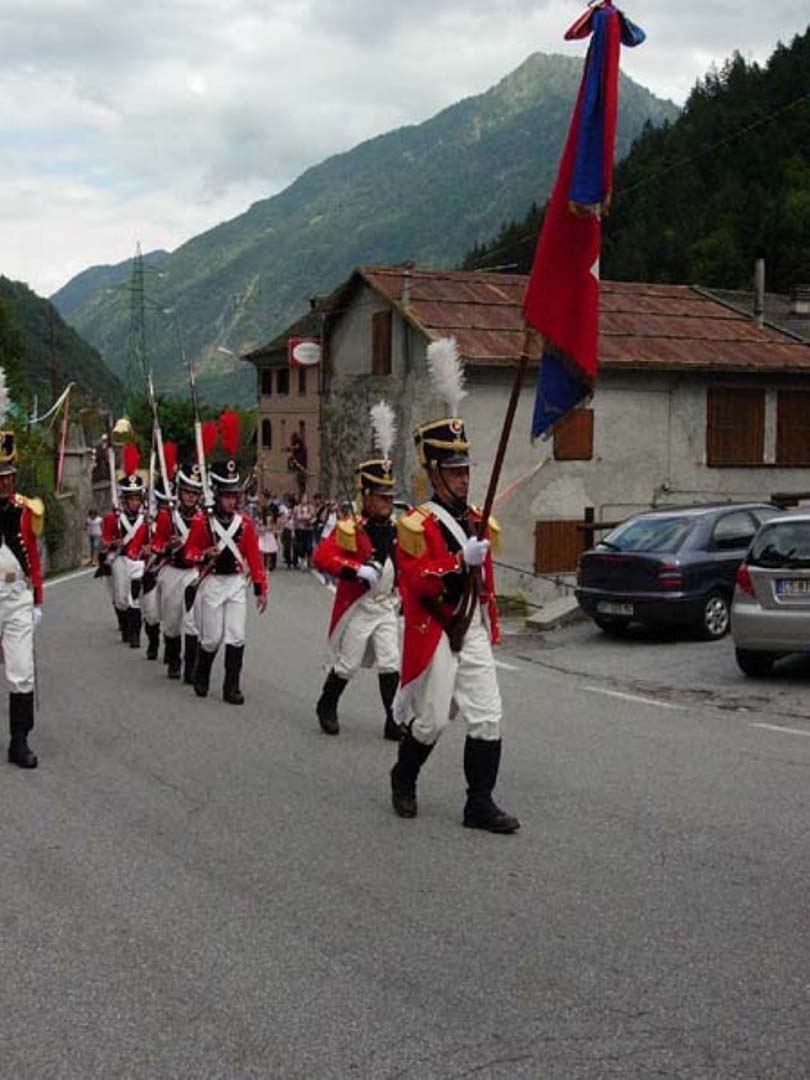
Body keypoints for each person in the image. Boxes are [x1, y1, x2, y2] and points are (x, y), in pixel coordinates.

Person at [390, 342, 519, 834]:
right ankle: (404, 775)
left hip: (474, 626)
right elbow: (415, 580)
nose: (464, 479)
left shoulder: (479, 520)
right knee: (432, 722)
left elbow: (484, 579)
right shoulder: (417, 523)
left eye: (466, 470)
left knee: (487, 716)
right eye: (454, 471)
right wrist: (457, 561)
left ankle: (478, 804)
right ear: (434, 473)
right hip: (439, 628)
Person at [313, 452, 401, 741]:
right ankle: (327, 704)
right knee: (348, 664)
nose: (388, 501)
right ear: (366, 496)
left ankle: (393, 719)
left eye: (390, 496)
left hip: (386, 606)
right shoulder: (351, 529)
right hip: (360, 606)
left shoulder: (397, 529)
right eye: (381, 496)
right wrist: (356, 569)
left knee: (390, 662)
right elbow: (322, 557)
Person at [186, 457, 268, 704]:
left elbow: (254, 558)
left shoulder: (244, 523)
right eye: (227, 496)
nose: (232, 500)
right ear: (217, 495)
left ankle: (231, 687)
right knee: (211, 638)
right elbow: (189, 552)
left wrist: (260, 589)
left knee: (236, 635)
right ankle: (202, 673)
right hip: (212, 583)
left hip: (235, 583)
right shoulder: (202, 522)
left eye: (234, 495)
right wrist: (204, 554)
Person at [0, 430, 44, 768]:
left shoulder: (26, 509)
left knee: (21, 671)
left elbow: (33, 557)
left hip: (17, 598)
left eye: (9, 475)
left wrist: (37, 600)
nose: (5, 482)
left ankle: (19, 741)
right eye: (0, 477)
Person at [150, 461, 205, 682]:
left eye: (195, 493)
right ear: (180, 492)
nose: (191, 497)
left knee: (192, 622)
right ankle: (174, 661)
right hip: (172, 571)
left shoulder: (204, 519)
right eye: (187, 492)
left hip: (193, 573)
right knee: (172, 623)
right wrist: (167, 546)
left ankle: (191, 669)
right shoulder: (167, 516)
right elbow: (156, 544)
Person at [100, 446, 148, 649]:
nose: (135, 502)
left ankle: (135, 634)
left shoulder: (146, 519)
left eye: (137, 498)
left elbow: (150, 539)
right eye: (131, 499)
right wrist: (113, 543)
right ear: (125, 500)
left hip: (138, 560)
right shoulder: (113, 518)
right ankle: (125, 625)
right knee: (120, 599)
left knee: (135, 598)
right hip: (120, 559)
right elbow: (105, 540)